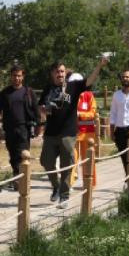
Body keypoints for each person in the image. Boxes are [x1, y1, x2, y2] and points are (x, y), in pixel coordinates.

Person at [39, 57, 108, 209]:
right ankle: (56, 186)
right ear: (52, 74)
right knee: (45, 161)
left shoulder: (74, 86)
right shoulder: (47, 89)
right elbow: (41, 107)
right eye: (57, 72)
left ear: (66, 73)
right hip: (50, 133)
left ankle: (64, 196)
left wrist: (99, 66)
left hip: (68, 134)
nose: (60, 74)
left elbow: (89, 80)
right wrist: (43, 112)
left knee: (67, 164)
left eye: (62, 71)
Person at [0, 64, 40, 181]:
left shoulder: (28, 92)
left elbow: (36, 110)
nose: (17, 78)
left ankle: (24, 179)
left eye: (19, 76)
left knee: (23, 154)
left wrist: (39, 126)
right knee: (13, 156)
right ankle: (17, 178)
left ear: (23, 76)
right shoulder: (5, 93)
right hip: (9, 129)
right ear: (11, 76)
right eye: (14, 76)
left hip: (24, 128)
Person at [76, 88, 98, 186]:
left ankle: (90, 183)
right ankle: (69, 184)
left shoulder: (88, 96)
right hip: (72, 133)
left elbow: (92, 112)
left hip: (87, 133)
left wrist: (80, 114)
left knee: (88, 158)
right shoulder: (68, 96)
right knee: (71, 159)